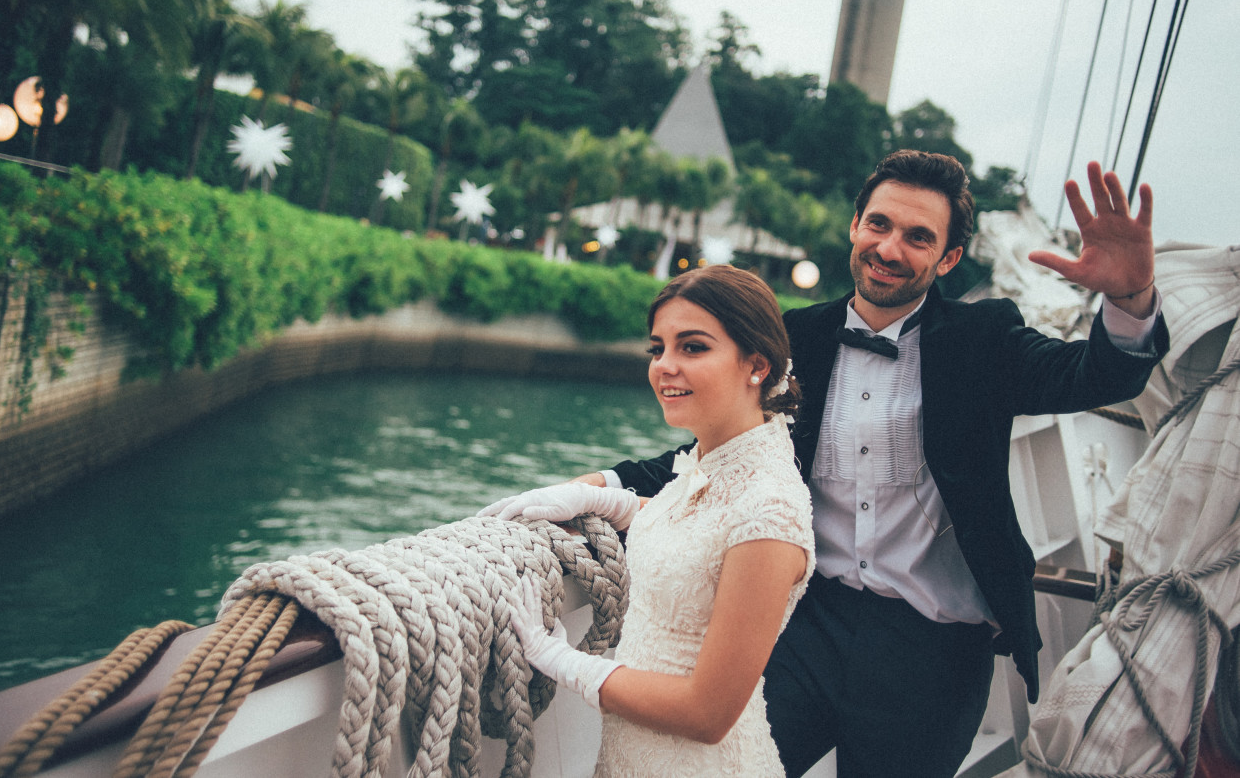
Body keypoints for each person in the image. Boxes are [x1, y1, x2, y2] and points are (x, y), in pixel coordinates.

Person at [499, 150, 1168, 777]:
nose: (889, 248)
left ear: (949, 257)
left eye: (917, 236)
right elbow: (715, 451)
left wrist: (1130, 302)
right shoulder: (797, 336)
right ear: (854, 226)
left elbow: (1094, 376)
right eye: (878, 224)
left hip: (933, 651)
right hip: (803, 627)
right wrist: (596, 485)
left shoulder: (985, 340)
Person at [483, 264, 816, 777]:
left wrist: (556, 656)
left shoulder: (771, 511)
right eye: (657, 348)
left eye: (693, 347)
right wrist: (591, 500)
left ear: (756, 365)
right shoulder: (721, 462)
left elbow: (706, 715)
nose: (665, 366)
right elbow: (695, 527)